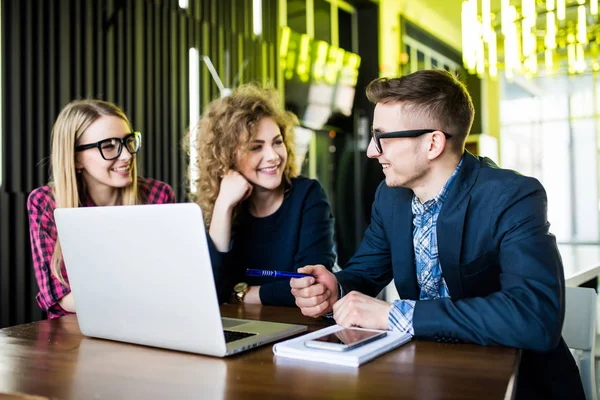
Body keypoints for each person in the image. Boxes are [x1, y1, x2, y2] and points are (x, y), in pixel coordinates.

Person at [290, 70, 584, 399]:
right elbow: (365, 273)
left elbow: (533, 316)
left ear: (432, 143)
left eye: (382, 137)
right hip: (427, 377)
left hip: (516, 385)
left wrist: (394, 315)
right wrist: (336, 288)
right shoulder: (390, 198)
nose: (372, 151)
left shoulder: (511, 196)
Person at [186, 84, 335, 306]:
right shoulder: (221, 207)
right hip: (238, 332)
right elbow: (209, 293)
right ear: (228, 157)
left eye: (277, 142)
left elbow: (310, 285)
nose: (273, 156)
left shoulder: (308, 195)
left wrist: (240, 294)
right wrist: (224, 205)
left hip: (297, 329)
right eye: (256, 147)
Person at [28, 99, 175, 319]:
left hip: (149, 322)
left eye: (128, 141)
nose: (126, 155)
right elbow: (60, 295)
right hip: (75, 335)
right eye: (108, 146)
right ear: (76, 158)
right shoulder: (45, 203)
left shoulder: (157, 195)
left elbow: (171, 280)